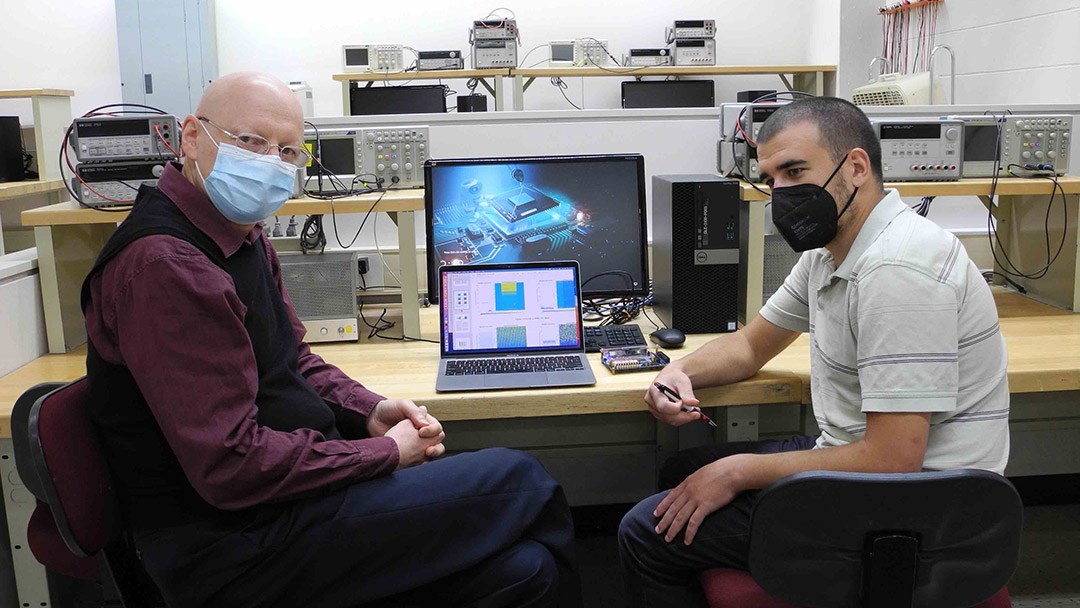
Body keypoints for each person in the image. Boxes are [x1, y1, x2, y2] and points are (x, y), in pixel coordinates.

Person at [81, 72, 581, 608]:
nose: (270, 161)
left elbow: (292, 360)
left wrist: (370, 410)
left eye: (289, 151)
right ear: (190, 137)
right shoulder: (168, 266)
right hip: (234, 548)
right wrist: (382, 453)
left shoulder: (237, 236)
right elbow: (231, 465)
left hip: (285, 505)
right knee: (523, 480)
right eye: (251, 141)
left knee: (529, 571)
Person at [618, 97, 1009, 607]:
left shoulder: (897, 270)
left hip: (924, 507)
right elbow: (749, 346)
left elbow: (893, 459)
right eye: (771, 178)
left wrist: (735, 471)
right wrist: (679, 372)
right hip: (874, 475)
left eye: (795, 170)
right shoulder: (833, 251)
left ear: (856, 167)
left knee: (644, 534)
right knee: (682, 473)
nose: (781, 192)